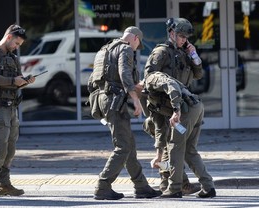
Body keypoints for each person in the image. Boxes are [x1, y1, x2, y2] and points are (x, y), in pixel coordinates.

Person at [88, 26, 161, 200]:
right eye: (138, 45)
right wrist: (135, 99)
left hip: (104, 99)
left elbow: (94, 80)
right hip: (114, 102)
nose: (136, 49)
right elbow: (124, 73)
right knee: (123, 147)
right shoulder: (126, 48)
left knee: (129, 146)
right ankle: (103, 185)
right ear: (135, 38)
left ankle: (141, 186)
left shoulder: (104, 49)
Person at [142, 18, 203, 195]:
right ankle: (169, 183)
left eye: (186, 37)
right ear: (171, 33)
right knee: (164, 145)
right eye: (181, 36)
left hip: (177, 106)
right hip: (161, 106)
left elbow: (198, 74)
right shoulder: (161, 52)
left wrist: (194, 55)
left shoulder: (184, 53)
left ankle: (172, 183)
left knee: (172, 146)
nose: (184, 40)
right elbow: (150, 78)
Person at [0, 24, 35, 197]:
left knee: (10, 149)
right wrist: (14, 81)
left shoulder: (12, 58)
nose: (17, 47)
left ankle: (5, 184)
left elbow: (16, 80)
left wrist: (24, 81)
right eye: (16, 43)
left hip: (11, 107)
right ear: (9, 37)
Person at [144, 71, 216, 198]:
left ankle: (175, 188)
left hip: (186, 110)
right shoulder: (150, 101)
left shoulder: (151, 79)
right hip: (195, 107)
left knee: (175, 147)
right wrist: (158, 156)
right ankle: (208, 187)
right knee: (189, 150)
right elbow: (160, 129)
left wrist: (176, 111)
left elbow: (171, 84)